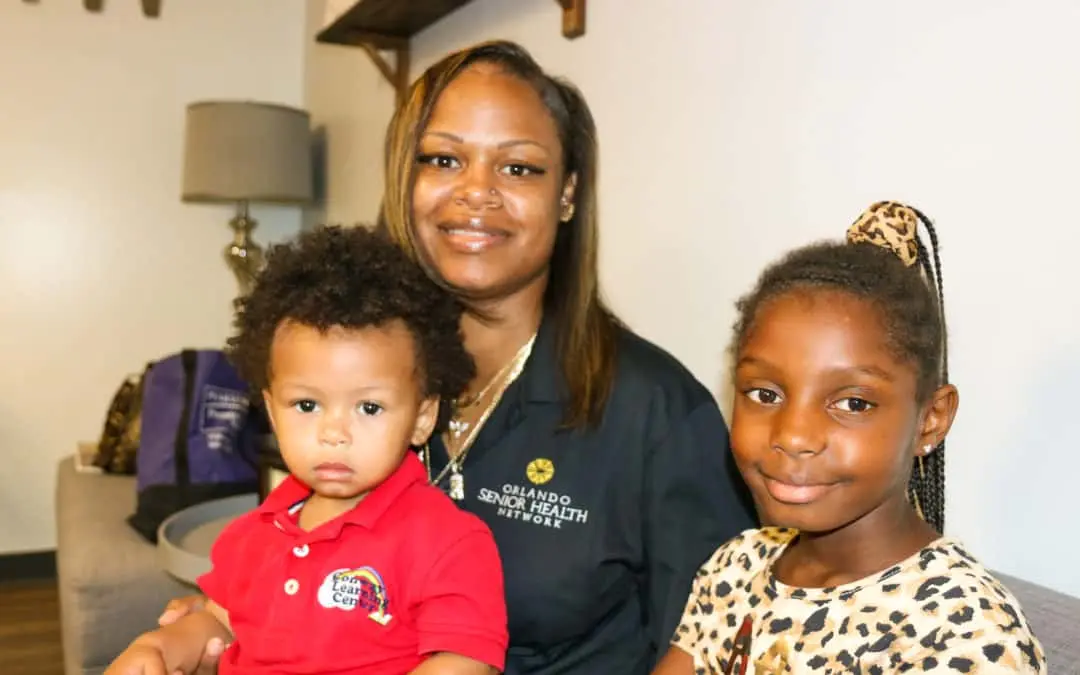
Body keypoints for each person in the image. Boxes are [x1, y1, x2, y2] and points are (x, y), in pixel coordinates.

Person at [158, 39, 755, 675]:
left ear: (568, 194)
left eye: (519, 168)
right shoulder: (350, 375)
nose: (476, 192)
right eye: (443, 159)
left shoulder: (654, 412)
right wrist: (218, 623)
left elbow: (716, 642)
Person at [652, 201, 1046, 674]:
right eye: (764, 393)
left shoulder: (961, 636)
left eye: (853, 403)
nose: (793, 436)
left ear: (931, 421)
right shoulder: (737, 567)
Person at [108, 226, 508, 675]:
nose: (333, 432)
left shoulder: (448, 540)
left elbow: (466, 659)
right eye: (307, 404)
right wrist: (158, 648)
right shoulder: (251, 535)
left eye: (369, 407)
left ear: (421, 418)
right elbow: (220, 623)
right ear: (273, 413)